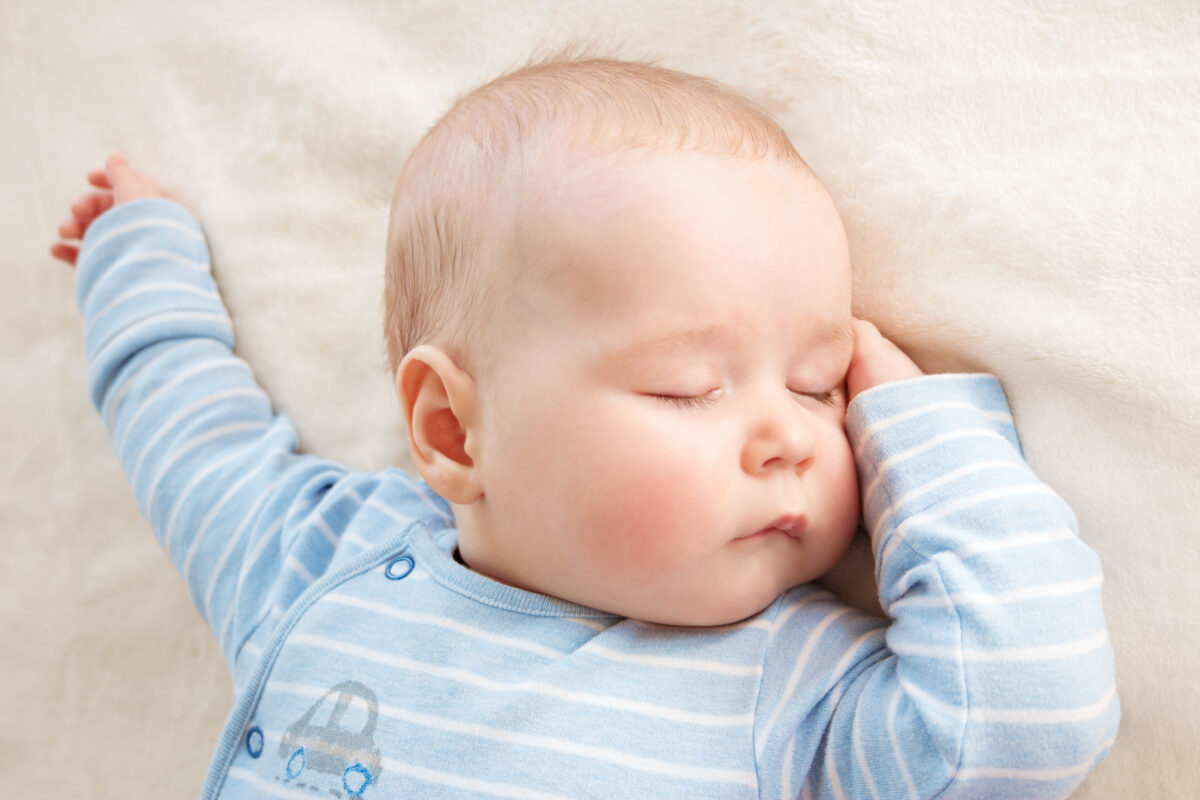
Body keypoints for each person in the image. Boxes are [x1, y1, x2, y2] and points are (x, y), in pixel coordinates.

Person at [52, 57, 1118, 799]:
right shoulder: (320, 563)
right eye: (690, 386)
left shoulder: (791, 695)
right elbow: (189, 433)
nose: (787, 437)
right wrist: (136, 253)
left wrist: (918, 427)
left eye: (816, 382)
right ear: (456, 432)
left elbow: (1026, 717)